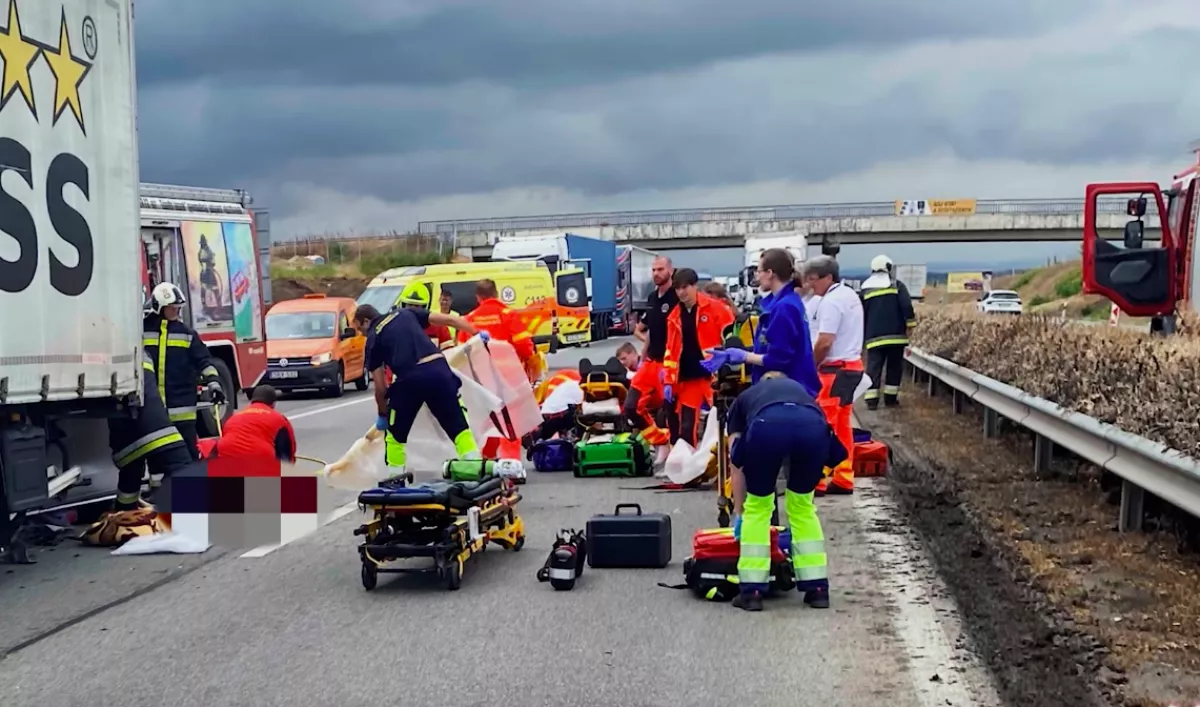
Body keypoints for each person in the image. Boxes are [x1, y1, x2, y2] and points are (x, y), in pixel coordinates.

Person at [726, 371, 841, 611]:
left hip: (766, 428)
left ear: (762, 384)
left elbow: (736, 462)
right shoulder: (803, 394)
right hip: (812, 429)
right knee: (802, 507)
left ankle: (751, 592)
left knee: (758, 507)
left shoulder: (745, 398)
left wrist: (739, 511)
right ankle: (817, 590)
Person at [354, 303, 481, 483]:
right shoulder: (405, 313)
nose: (361, 334)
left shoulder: (374, 338)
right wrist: (476, 334)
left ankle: (395, 481)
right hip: (440, 371)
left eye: (360, 329)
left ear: (366, 322)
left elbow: (380, 388)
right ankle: (475, 469)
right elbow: (451, 320)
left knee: (395, 436)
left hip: (410, 378)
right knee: (459, 427)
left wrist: (383, 414)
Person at [703, 248, 821, 398]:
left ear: (770, 273)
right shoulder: (785, 303)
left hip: (786, 393)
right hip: (786, 390)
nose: (757, 276)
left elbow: (778, 359)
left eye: (759, 271)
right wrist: (731, 353)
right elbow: (773, 347)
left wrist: (744, 356)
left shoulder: (784, 307)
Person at [803, 256, 865, 496]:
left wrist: (810, 366)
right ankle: (844, 476)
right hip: (851, 368)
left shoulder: (830, 302)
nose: (811, 285)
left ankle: (816, 479)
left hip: (833, 371)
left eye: (813, 279)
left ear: (828, 277)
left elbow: (825, 342)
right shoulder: (849, 295)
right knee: (841, 427)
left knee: (822, 426)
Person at [456, 279, 537, 461]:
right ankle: (510, 461)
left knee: (489, 419)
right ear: (496, 294)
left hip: (481, 379)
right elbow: (524, 346)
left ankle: (488, 459)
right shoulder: (508, 315)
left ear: (478, 297)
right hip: (509, 376)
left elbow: (461, 353)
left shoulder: (469, 319)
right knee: (510, 420)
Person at [142, 283, 225, 460]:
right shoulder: (141, 332)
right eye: (172, 308)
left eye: (178, 308)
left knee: (188, 456)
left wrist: (214, 384)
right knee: (158, 459)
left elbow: (204, 361)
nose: (176, 312)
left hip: (183, 410)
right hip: (154, 410)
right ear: (158, 307)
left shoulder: (187, 334)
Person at [106, 350, 195, 510]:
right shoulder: (137, 353)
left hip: (122, 438)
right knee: (183, 467)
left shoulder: (116, 356)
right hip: (155, 430)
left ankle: (123, 514)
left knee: (130, 479)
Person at [663, 268, 735, 447]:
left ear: (695, 286)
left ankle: (725, 461)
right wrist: (668, 381)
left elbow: (732, 341)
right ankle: (688, 461)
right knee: (687, 427)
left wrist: (728, 369)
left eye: (685, 287)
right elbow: (670, 351)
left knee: (724, 425)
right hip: (689, 379)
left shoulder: (716, 309)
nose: (681, 292)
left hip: (714, 376)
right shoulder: (674, 317)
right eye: (677, 288)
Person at [626, 256, 677, 443]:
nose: (656, 273)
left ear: (670, 270)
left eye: (660, 269)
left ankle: (674, 447)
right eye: (654, 270)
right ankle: (659, 440)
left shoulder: (676, 297)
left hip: (669, 364)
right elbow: (649, 331)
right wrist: (642, 358)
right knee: (631, 406)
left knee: (669, 410)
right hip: (650, 363)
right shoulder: (652, 298)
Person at [860, 255, 916, 410]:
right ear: (889, 268)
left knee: (873, 367)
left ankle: (871, 401)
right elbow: (907, 306)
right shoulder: (897, 286)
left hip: (873, 337)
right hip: (896, 337)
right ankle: (890, 399)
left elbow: (860, 313)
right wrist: (911, 325)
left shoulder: (865, 289)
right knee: (894, 368)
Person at [211, 385, 297, 465]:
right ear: (273, 403)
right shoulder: (279, 419)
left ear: (252, 401)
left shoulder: (234, 417)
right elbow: (288, 451)